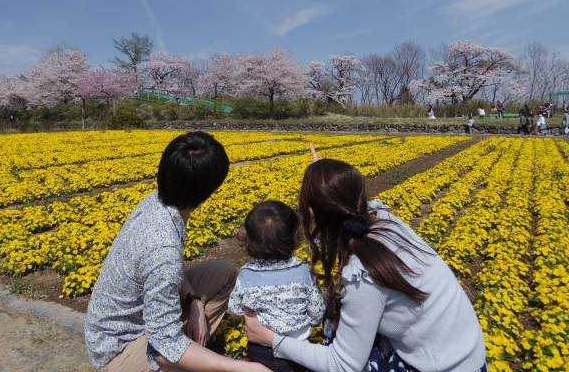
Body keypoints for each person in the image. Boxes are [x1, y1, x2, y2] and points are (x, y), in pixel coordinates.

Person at [244, 154, 487, 372]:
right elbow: (338, 215)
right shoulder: (384, 220)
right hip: (465, 354)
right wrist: (325, 181)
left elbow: (343, 364)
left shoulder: (363, 275)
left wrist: (273, 340)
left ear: (316, 214)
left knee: (335, 326)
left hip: (442, 366)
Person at [85, 131, 269, 372]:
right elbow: (163, 351)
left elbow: (165, 269)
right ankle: (189, 358)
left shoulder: (158, 201)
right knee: (174, 352)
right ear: (209, 190)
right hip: (118, 348)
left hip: (135, 316)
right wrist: (239, 367)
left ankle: (193, 349)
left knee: (225, 273)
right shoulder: (162, 248)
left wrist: (194, 302)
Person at [228, 201, 325, 372]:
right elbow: (317, 314)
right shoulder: (303, 272)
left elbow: (234, 308)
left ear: (248, 241)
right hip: (298, 349)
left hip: (260, 350)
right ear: (295, 237)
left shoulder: (246, 275)